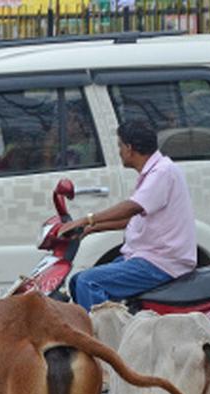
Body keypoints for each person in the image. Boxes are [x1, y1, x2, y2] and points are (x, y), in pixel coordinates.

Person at [62, 120, 196, 310]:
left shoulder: (162, 172)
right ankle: (115, 325)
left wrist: (87, 219)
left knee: (88, 283)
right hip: (144, 256)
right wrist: (92, 228)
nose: (119, 152)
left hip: (161, 262)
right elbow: (137, 216)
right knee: (76, 281)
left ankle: (106, 337)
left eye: (119, 146)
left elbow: (133, 207)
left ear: (129, 148)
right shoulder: (154, 172)